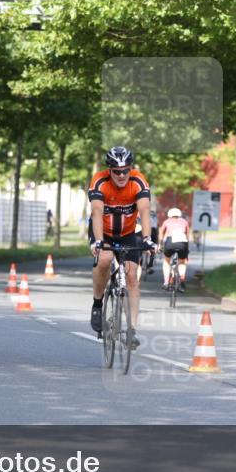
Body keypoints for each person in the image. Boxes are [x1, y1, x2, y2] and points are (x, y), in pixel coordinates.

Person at [88, 146, 156, 343]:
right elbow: (97, 213)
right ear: (109, 170)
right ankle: (98, 304)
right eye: (117, 171)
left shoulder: (138, 181)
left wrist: (147, 239)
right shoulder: (100, 181)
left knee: (132, 276)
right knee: (105, 258)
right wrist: (99, 241)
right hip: (103, 232)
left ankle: (131, 331)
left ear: (131, 168)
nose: (121, 175)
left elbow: (144, 210)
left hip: (127, 233)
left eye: (126, 170)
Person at [158, 207, 190, 291]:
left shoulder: (166, 221)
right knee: (182, 262)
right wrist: (187, 250)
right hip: (183, 242)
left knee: (166, 261)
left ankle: (165, 282)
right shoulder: (184, 222)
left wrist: (161, 245)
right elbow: (187, 236)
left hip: (170, 242)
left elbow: (161, 234)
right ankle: (182, 279)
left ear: (169, 215)